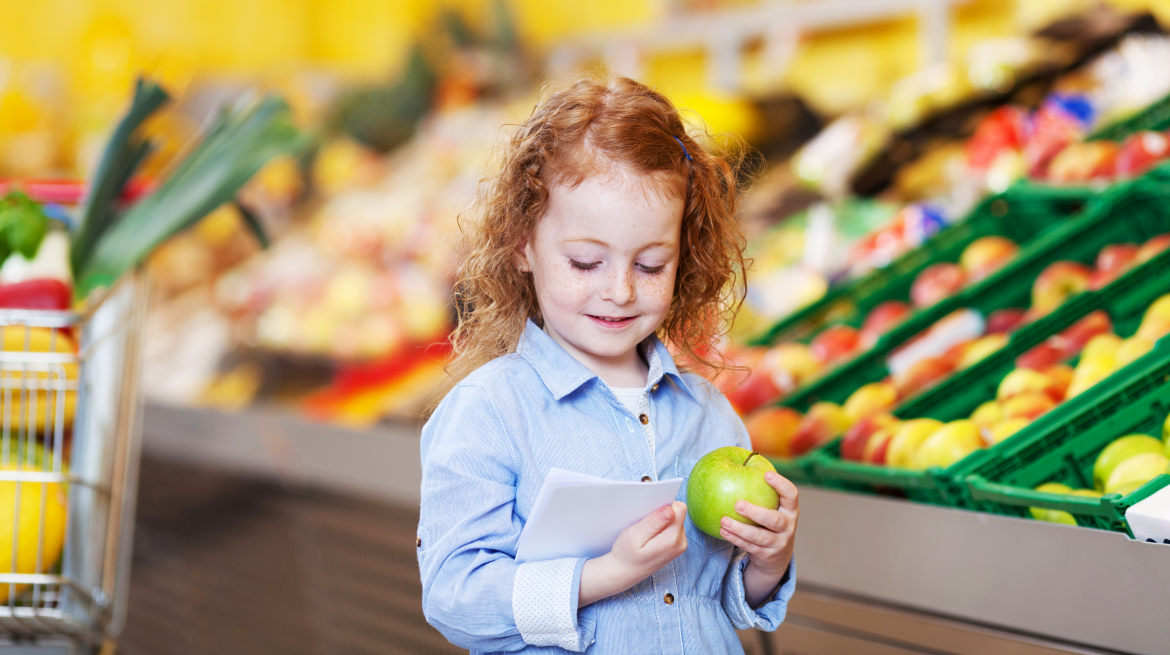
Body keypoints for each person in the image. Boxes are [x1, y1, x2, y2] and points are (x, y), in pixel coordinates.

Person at [417, 76, 798, 654]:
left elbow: (723, 597)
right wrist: (603, 575)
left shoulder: (708, 415)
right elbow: (455, 598)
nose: (619, 290)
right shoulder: (490, 412)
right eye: (586, 262)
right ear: (523, 244)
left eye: (649, 266)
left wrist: (769, 557)